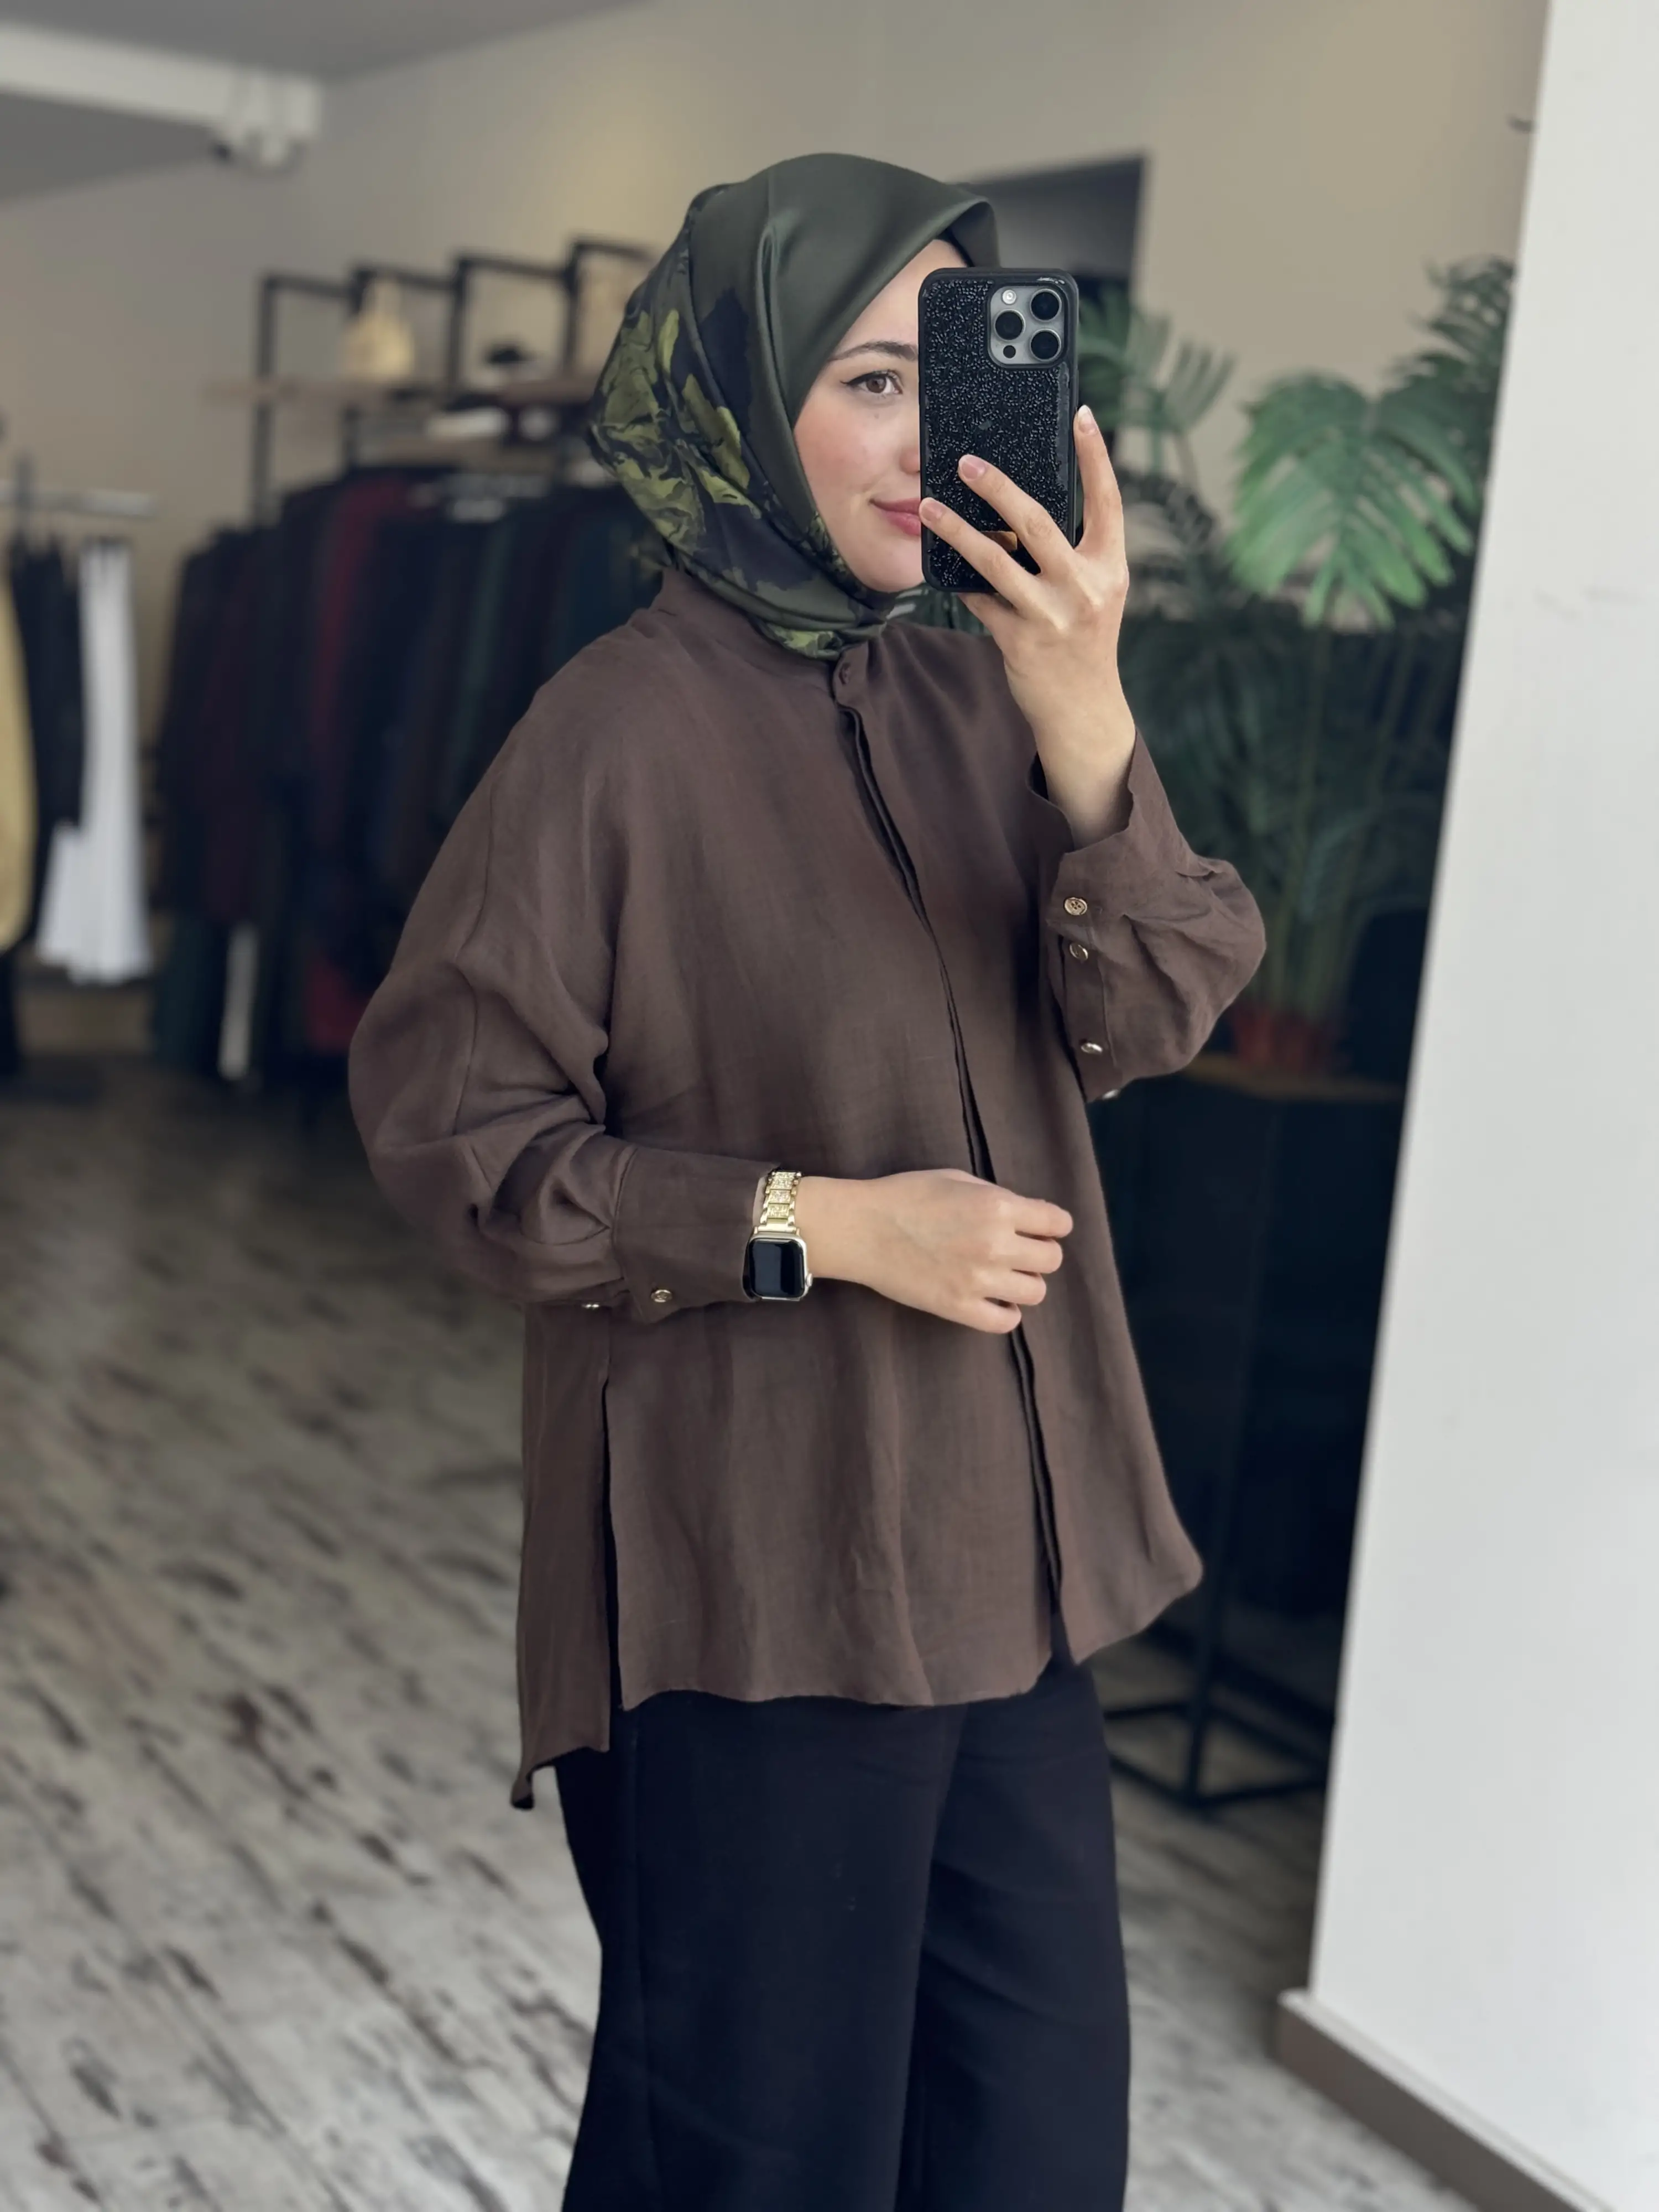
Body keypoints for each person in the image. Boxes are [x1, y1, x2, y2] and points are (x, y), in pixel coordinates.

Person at [348, 152, 1265, 2212]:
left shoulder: (988, 688)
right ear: (744, 403)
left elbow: (1157, 1013)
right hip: (759, 1582)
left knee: (1031, 2150)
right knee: (757, 2167)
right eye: (867, 379)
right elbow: (456, 1138)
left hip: (1018, 1573)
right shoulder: (612, 736)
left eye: (954, 374)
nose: (928, 438)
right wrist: (821, 1228)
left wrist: (1090, 723)